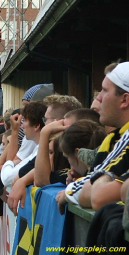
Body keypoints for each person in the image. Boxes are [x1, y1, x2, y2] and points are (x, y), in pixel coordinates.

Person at [56, 61, 129, 212]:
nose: (99, 98)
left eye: (104, 90)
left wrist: (70, 191)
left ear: (125, 100)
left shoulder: (123, 138)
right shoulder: (115, 137)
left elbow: (97, 196)